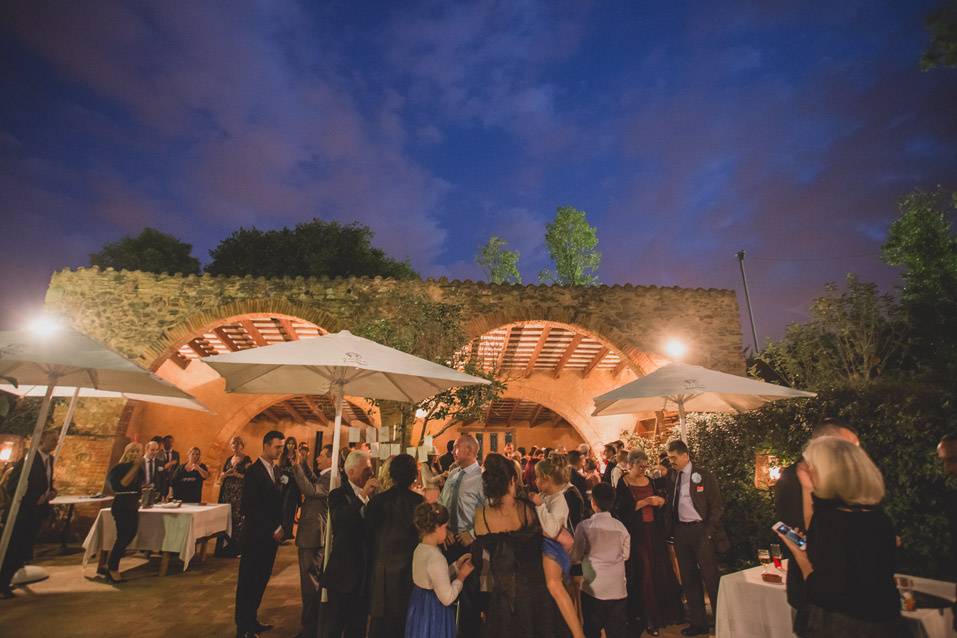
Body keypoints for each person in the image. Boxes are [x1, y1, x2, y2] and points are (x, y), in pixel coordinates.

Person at [775, 436, 904, 637]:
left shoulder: (830, 520)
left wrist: (801, 557)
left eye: (810, 467)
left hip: (843, 625)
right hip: (886, 620)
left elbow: (824, 591)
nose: (804, 471)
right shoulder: (879, 518)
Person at [774, 418, 859, 634]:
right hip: (809, 586)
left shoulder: (842, 475)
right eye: (849, 446)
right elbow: (796, 533)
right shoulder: (793, 477)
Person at [473, 453, 570, 638]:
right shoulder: (527, 508)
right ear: (512, 480)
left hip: (502, 597)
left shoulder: (480, 516)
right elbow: (564, 539)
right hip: (536, 594)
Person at [614, 450, 683, 635]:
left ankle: (664, 614)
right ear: (631, 464)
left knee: (659, 569)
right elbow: (622, 509)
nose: (643, 470)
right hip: (637, 533)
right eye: (640, 466)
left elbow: (663, 500)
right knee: (643, 572)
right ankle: (647, 618)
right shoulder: (624, 482)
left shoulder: (650, 481)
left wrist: (660, 501)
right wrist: (645, 502)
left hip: (654, 530)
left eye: (645, 466)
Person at [665, 440, 723, 637]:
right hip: (681, 531)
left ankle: (720, 620)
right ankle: (698, 623)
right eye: (669, 457)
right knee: (688, 578)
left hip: (701, 530)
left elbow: (716, 505)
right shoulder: (673, 476)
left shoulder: (704, 475)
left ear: (685, 455)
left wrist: (709, 531)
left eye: (674, 457)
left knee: (711, 577)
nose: (671, 461)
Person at [367, 454, 425, 638]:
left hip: (382, 567)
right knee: (404, 621)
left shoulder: (378, 500)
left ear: (391, 474)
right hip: (409, 568)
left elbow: (368, 532)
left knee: (381, 623)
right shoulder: (419, 502)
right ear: (413, 476)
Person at [322, 449, 378, 638]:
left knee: (358, 627)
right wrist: (362, 496)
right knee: (335, 625)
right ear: (351, 472)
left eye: (371, 469)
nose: (371, 473)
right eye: (366, 470)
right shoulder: (338, 495)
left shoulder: (375, 496)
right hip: (344, 574)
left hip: (364, 575)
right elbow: (341, 520)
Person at [234, 430, 285, 638]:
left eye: (281, 447)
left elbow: (276, 503)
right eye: (277, 447)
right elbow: (250, 507)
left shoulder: (276, 469)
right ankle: (242, 627)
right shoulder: (254, 472)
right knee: (248, 581)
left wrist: (281, 525)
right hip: (255, 536)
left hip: (269, 539)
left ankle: (252, 620)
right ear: (265, 445)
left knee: (261, 579)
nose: (280, 451)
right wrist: (273, 528)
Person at [531, 456, 585, 638]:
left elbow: (553, 529)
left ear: (546, 479)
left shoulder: (559, 500)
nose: (535, 481)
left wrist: (539, 507)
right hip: (548, 545)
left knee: (554, 585)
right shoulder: (548, 496)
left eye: (537, 477)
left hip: (553, 548)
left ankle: (578, 633)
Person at [437, 434, 485, 638]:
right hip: (448, 542)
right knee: (446, 590)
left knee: (468, 595)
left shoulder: (482, 478)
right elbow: (443, 502)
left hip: (469, 544)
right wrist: (444, 527)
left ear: (468, 450)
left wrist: (473, 534)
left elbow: (489, 511)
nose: (452, 451)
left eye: (455, 447)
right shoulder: (453, 474)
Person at [0, 430, 58, 597]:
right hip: (22, 512)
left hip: (36, 512)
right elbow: (12, 486)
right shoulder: (29, 459)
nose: (55, 443)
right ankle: (2, 584)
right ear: (41, 441)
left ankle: (7, 580)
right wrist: (33, 498)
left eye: (56, 440)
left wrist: (51, 491)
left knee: (24, 548)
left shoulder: (49, 460)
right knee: (13, 548)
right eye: (52, 440)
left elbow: (44, 482)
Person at [406, 502, 474, 638]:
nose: (447, 531)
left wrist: (456, 566)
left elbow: (435, 578)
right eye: (445, 527)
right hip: (434, 611)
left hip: (419, 605)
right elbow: (447, 598)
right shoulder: (436, 557)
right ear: (437, 527)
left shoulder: (419, 549)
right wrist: (461, 577)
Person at [572, 482, 630, 638]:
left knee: (592, 627)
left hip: (593, 586)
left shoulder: (584, 526)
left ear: (593, 503)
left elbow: (576, 555)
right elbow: (626, 555)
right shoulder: (621, 527)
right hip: (617, 586)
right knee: (617, 628)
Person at [293, 444, 332, 638]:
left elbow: (310, 490)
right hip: (313, 535)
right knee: (311, 582)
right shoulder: (326, 476)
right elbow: (314, 480)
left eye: (322, 456)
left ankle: (309, 628)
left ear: (331, 459)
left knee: (310, 584)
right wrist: (303, 463)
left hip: (313, 535)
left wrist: (295, 467)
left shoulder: (332, 478)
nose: (318, 458)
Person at [103, 441, 145, 583]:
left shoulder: (139, 469)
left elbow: (139, 486)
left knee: (130, 535)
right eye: (131, 451)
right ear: (126, 452)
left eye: (137, 451)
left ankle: (110, 565)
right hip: (122, 504)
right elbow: (122, 484)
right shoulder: (119, 468)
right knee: (123, 536)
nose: (134, 454)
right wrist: (136, 466)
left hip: (133, 504)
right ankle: (112, 568)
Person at [217, 436, 252, 557]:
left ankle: (237, 549)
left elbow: (250, 477)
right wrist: (225, 474)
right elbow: (221, 476)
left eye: (237, 444)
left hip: (239, 493)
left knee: (238, 520)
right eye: (233, 444)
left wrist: (237, 475)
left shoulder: (247, 459)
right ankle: (224, 548)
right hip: (227, 493)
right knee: (226, 518)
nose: (235, 446)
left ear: (242, 445)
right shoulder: (228, 459)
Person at [279, 436, 301, 542]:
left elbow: (297, 470)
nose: (290, 446)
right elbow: (280, 468)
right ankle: (283, 531)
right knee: (283, 507)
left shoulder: (297, 456)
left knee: (290, 508)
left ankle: (288, 532)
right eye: (288, 443)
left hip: (293, 485)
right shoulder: (283, 455)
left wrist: (290, 472)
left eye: (292, 444)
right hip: (284, 484)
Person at [567, 450, 592, 518]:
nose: (584, 462)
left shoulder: (567, 472)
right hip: (579, 508)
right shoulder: (577, 476)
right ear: (579, 460)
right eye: (582, 460)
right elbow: (583, 494)